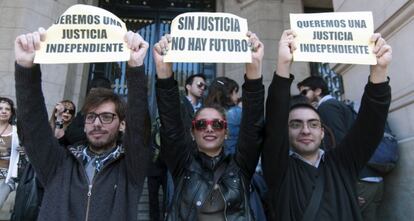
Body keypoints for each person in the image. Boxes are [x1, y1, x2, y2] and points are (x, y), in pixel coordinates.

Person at [14, 28, 150, 221]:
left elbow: (139, 129)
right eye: (91, 117)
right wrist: (26, 67)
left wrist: (135, 67)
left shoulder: (130, 169)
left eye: (106, 117)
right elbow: (32, 125)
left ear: (122, 124)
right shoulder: (58, 163)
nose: (96, 123)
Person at [262, 30, 392, 221]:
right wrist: (283, 65)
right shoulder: (279, 169)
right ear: (286, 132)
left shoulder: (343, 163)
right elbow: (274, 121)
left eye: (313, 124)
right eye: (296, 124)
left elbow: (370, 127)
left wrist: (379, 72)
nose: (306, 130)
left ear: (322, 132)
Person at [153, 31, 264, 220]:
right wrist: (164, 74)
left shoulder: (241, 167)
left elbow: (253, 127)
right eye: (202, 124)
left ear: (226, 132)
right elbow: (170, 126)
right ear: (193, 131)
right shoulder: (182, 165)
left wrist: (254, 72)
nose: (209, 128)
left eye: (218, 124)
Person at [64, 77, 112, 145]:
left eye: (97, 93)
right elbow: (70, 134)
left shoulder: (111, 113)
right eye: (91, 93)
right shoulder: (84, 111)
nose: (92, 97)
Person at [204, 77, 241, 155]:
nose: (237, 97)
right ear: (228, 94)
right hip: (233, 159)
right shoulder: (236, 112)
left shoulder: (204, 113)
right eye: (235, 92)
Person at [0, 97, 20, 210]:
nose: (3, 111)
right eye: (0, 108)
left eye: (7, 109)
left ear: (11, 113)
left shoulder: (17, 131)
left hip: (6, 178)